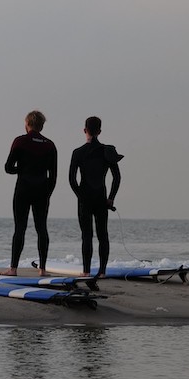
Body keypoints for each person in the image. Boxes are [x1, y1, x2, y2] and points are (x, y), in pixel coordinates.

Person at [1, 110, 58, 276]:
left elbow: (8, 167)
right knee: (42, 228)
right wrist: (48, 193)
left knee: (20, 228)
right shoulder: (50, 145)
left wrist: (23, 169)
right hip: (42, 190)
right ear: (41, 126)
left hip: (23, 188)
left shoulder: (20, 141)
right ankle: (43, 269)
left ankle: (13, 268)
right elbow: (53, 175)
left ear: (27, 124)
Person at [68, 116, 123, 278]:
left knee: (86, 235)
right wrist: (111, 197)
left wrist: (80, 195)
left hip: (84, 198)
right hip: (101, 197)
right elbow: (117, 177)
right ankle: (102, 272)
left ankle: (86, 271)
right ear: (99, 131)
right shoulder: (107, 151)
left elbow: (71, 179)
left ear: (85, 130)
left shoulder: (78, 152)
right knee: (102, 235)